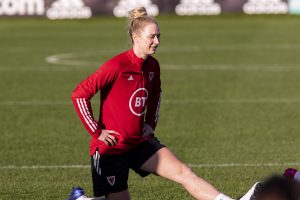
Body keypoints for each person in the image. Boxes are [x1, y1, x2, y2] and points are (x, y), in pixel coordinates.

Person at [70, 6, 235, 200]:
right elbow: (79, 95)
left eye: (159, 36)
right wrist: (97, 132)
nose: (157, 42)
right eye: (152, 37)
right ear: (135, 37)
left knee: (184, 173)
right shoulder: (116, 66)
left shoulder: (153, 66)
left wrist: (150, 123)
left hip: (140, 142)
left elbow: (156, 95)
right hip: (112, 148)